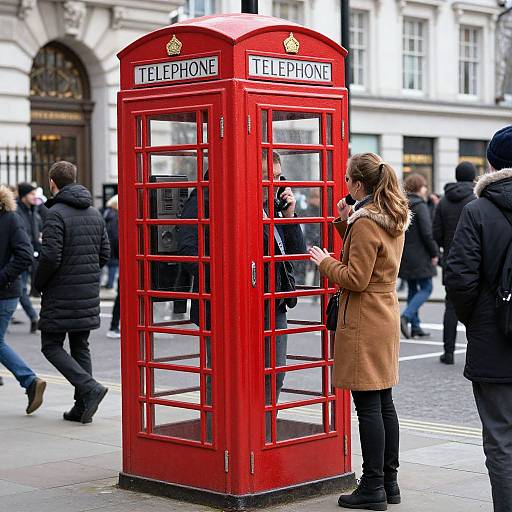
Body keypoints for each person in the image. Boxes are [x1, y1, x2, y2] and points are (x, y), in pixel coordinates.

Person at [310, 153, 409, 510]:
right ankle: (390, 483)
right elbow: (373, 257)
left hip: (365, 317)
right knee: (384, 403)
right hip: (384, 314)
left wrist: (325, 263)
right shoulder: (389, 215)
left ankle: (372, 487)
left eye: (349, 179)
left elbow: (356, 277)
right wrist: (343, 222)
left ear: (358, 184)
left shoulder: (366, 222)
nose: (345, 184)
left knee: (368, 404)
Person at [445, 125, 512, 512]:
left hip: (495, 346)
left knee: (502, 442)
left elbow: (459, 279)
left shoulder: (478, 211)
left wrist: (478, 322)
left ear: (491, 164)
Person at [35, 161, 110, 424]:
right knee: (80, 345)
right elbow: (105, 253)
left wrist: (39, 284)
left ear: (53, 183)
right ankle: (82, 407)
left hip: (60, 292)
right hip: (86, 291)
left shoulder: (55, 214)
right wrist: (87, 274)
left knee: (51, 345)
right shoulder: (94, 212)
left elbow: (50, 257)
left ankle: (89, 388)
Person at [0, 185, 46, 411]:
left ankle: (29, 381)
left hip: (4, 293)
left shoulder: (10, 219)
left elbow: (25, 255)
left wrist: (2, 277)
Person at [433, 162, 476, 365]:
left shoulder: (443, 201)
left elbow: (437, 233)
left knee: (450, 307)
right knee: (476, 308)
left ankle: (448, 352)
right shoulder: (477, 198)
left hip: (451, 260)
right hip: (475, 261)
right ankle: (475, 352)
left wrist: (447, 249)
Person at [399, 174, 439, 339]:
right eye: (424, 186)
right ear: (418, 187)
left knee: (413, 288)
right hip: (420, 255)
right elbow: (427, 233)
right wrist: (434, 253)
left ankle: (415, 326)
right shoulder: (420, 206)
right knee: (427, 288)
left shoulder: (403, 205)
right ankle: (406, 316)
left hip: (406, 255)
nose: (426, 189)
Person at [15, 182, 42, 333]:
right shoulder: (18, 212)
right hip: (21, 256)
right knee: (20, 289)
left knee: (21, 289)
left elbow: (36, 231)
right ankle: (33, 317)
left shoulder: (33, 210)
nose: (34, 197)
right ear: (24, 195)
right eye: (31, 194)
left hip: (32, 254)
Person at [103, 195, 119, 290]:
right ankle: (110, 285)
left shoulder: (107, 213)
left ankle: (109, 283)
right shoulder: (115, 216)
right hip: (112, 244)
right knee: (113, 265)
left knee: (110, 265)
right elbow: (115, 233)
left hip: (108, 243)